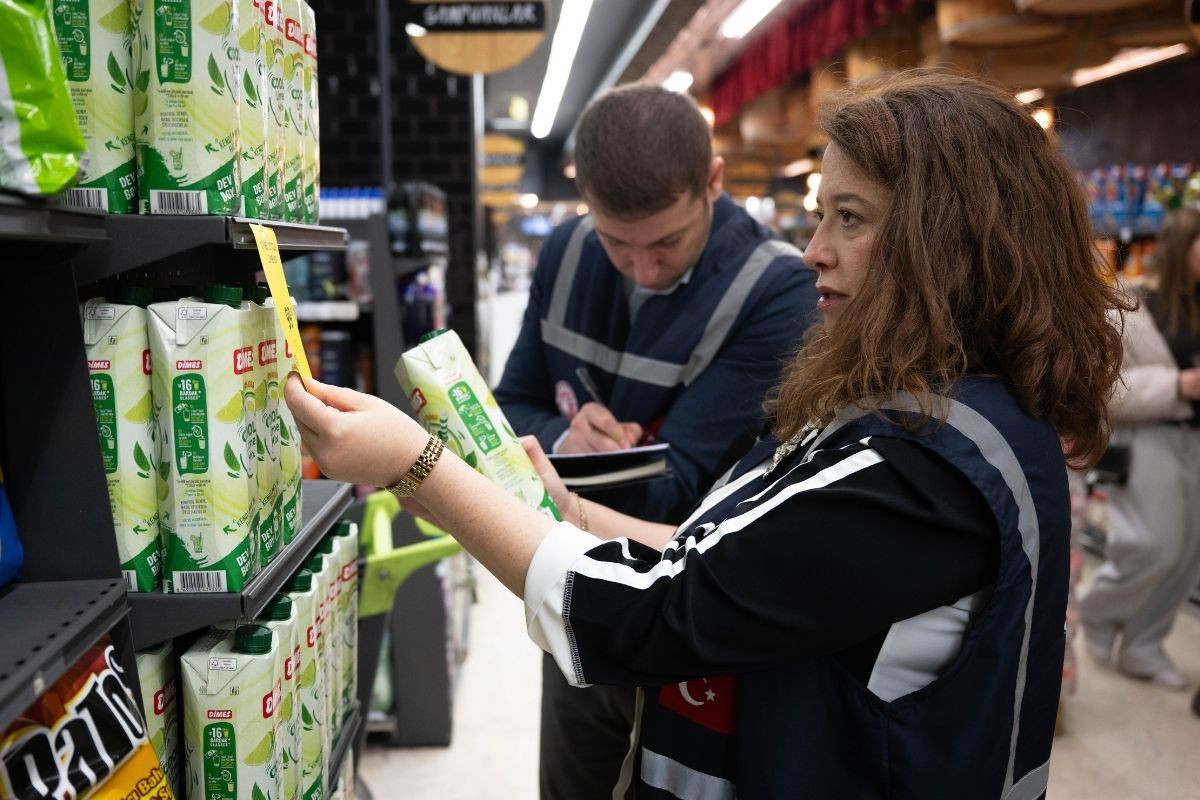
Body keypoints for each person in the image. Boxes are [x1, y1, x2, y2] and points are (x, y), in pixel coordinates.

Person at [286, 69, 1127, 799]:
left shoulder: (923, 468)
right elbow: (724, 550)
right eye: (821, 214)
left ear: (949, 241)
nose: (814, 251)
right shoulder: (912, 410)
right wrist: (568, 508)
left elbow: (659, 609)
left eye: (851, 218)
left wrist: (416, 466)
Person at [491, 84, 818, 798]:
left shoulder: (777, 292)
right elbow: (508, 406)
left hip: (687, 629)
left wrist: (557, 473)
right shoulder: (564, 255)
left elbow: (681, 489)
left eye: (667, 242)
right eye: (618, 242)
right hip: (576, 600)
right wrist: (563, 437)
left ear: (713, 182)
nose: (643, 269)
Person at [1080, 207, 1200, 691]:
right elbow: (1104, 391)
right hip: (1152, 439)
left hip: (1195, 442)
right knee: (1154, 547)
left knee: (1187, 556)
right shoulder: (1131, 305)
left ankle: (1143, 645)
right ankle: (1097, 610)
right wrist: (1177, 385)